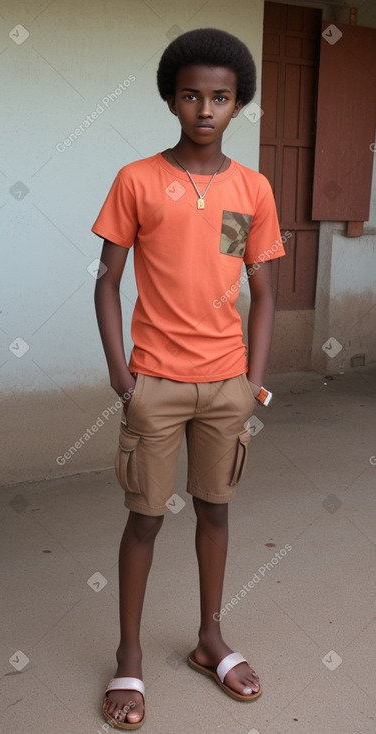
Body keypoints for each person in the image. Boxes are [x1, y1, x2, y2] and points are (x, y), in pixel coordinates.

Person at [92, 27, 285, 730]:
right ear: (172, 99)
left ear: (239, 104)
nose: (205, 109)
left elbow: (256, 289)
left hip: (224, 385)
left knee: (215, 511)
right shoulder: (138, 180)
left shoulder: (248, 190)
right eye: (192, 95)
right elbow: (107, 282)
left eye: (221, 97)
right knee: (144, 519)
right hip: (156, 384)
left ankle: (209, 639)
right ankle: (130, 654)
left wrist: (251, 381)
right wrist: (123, 376)